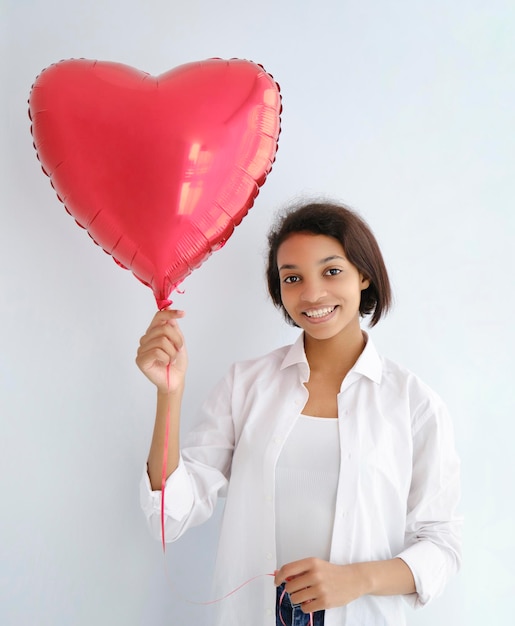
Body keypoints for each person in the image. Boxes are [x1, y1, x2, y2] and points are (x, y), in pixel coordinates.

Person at [137, 200, 462, 626]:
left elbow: (441, 545)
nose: (311, 294)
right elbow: (171, 514)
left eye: (331, 271)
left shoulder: (414, 404)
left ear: (363, 275)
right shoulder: (246, 385)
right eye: (293, 278)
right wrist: (169, 395)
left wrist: (357, 579)